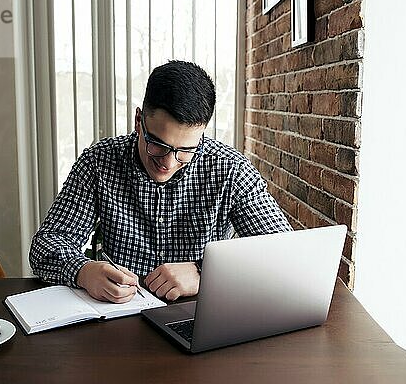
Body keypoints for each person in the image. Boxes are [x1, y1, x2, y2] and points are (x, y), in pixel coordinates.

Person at [30, 60, 292, 304]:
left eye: (185, 150)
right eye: (158, 144)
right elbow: (46, 244)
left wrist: (204, 273)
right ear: (138, 122)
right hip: (120, 320)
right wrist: (84, 271)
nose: (168, 162)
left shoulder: (230, 169)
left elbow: (285, 254)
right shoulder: (100, 161)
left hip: (203, 318)